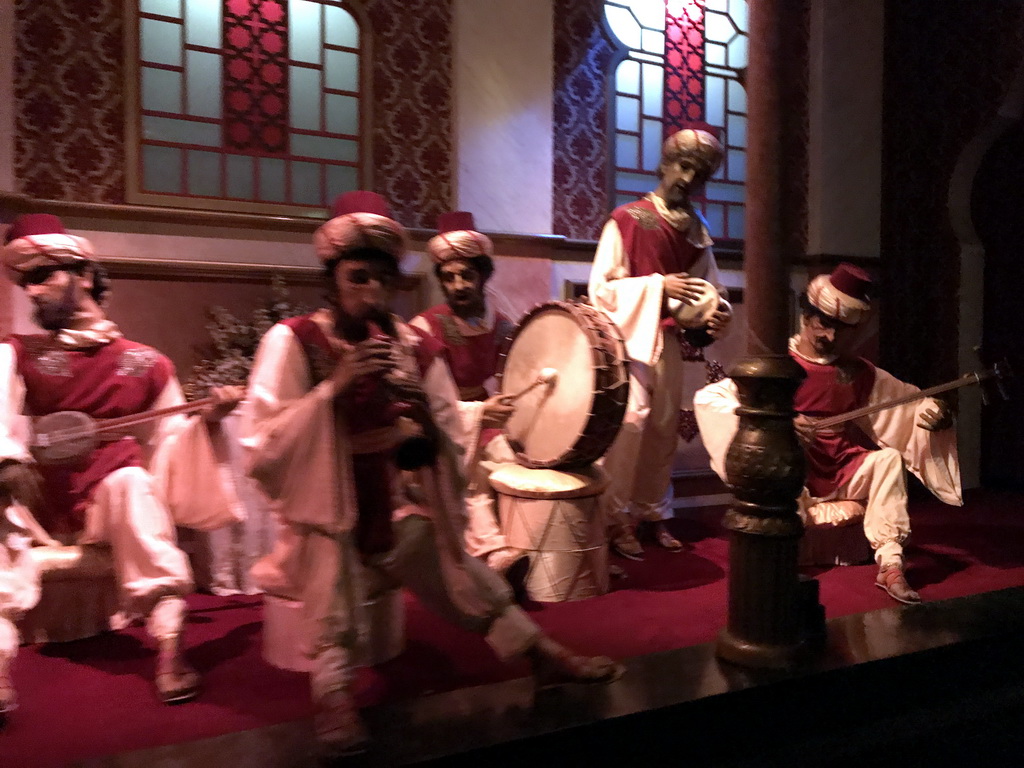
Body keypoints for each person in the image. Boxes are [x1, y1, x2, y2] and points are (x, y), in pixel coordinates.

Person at [240, 192, 622, 757]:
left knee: (452, 559)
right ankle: (334, 693)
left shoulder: (412, 346)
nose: (370, 293)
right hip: (319, 509)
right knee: (331, 553)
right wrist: (333, 390)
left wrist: (418, 410)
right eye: (357, 277)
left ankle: (541, 657)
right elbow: (261, 446)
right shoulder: (294, 341)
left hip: (390, 505)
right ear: (332, 278)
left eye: (381, 281)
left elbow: (449, 428)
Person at [0, 214, 243, 715]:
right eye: (28, 281)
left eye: (45, 275)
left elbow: (174, 444)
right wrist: (7, 462)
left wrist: (210, 422)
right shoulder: (16, 354)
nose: (34, 292)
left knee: (134, 482)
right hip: (35, 502)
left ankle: (171, 650)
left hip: (102, 504)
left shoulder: (147, 363)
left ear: (84, 275)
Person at [694, 263, 960, 604]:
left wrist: (933, 412)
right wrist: (782, 422)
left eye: (842, 330)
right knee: (780, 475)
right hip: (794, 467)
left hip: (842, 466)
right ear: (806, 316)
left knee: (888, 461)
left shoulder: (857, 372)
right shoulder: (779, 364)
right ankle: (781, 564)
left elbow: (906, 404)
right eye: (824, 324)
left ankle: (891, 564)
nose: (830, 337)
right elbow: (712, 399)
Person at [589, 128, 733, 561]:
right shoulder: (628, 218)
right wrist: (657, 286)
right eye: (683, 166)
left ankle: (653, 511)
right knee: (630, 426)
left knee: (663, 430)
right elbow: (601, 290)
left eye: (699, 174)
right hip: (627, 344)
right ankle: (615, 519)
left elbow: (710, 288)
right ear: (665, 164)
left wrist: (718, 311)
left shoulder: (696, 231)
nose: (688, 178)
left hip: (668, 340)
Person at [409, 211, 525, 577]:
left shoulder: (504, 326)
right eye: (449, 278)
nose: (459, 285)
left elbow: (514, 378)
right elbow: (419, 403)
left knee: (514, 463)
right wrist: (475, 414)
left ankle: (531, 546)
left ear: (483, 276)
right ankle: (493, 553)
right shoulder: (425, 328)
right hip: (439, 424)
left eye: (467, 276)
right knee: (469, 477)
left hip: (483, 419)